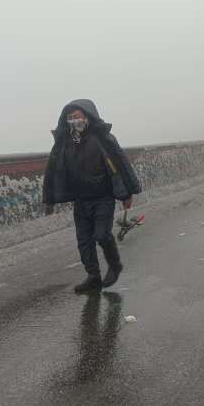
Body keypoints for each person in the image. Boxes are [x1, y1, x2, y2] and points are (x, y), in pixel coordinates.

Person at [42, 99, 142, 293]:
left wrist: (127, 193)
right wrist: (49, 199)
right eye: (69, 118)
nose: (73, 121)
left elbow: (120, 164)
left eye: (76, 116)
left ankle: (115, 265)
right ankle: (93, 276)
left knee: (102, 235)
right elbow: (53, 171)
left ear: (87, 117)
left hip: (103, 197)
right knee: (83, 241)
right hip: (81, 200)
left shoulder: (103, 139)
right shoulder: (64, 143)